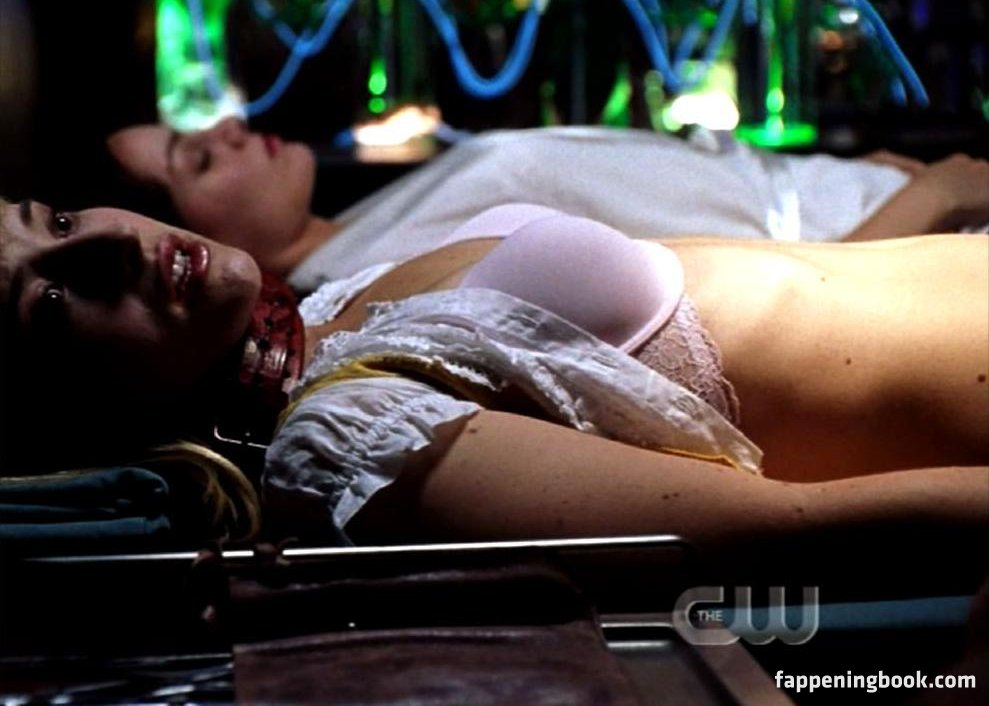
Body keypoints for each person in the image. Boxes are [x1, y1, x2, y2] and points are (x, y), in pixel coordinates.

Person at [1, 197, 986, 585]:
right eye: (47, 300)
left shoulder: (332, 312)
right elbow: (803, 535)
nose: (108, 241)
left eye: (55, 218)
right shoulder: (347, 442)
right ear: (62, 417)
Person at [106, 119, 989, 292]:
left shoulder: (362, 225)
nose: (227, 127)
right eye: (196, 160)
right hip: (922, 261)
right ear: (188, 241)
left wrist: (842, 174)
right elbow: (745, 305)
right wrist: (933, 197)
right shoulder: (380, 274)